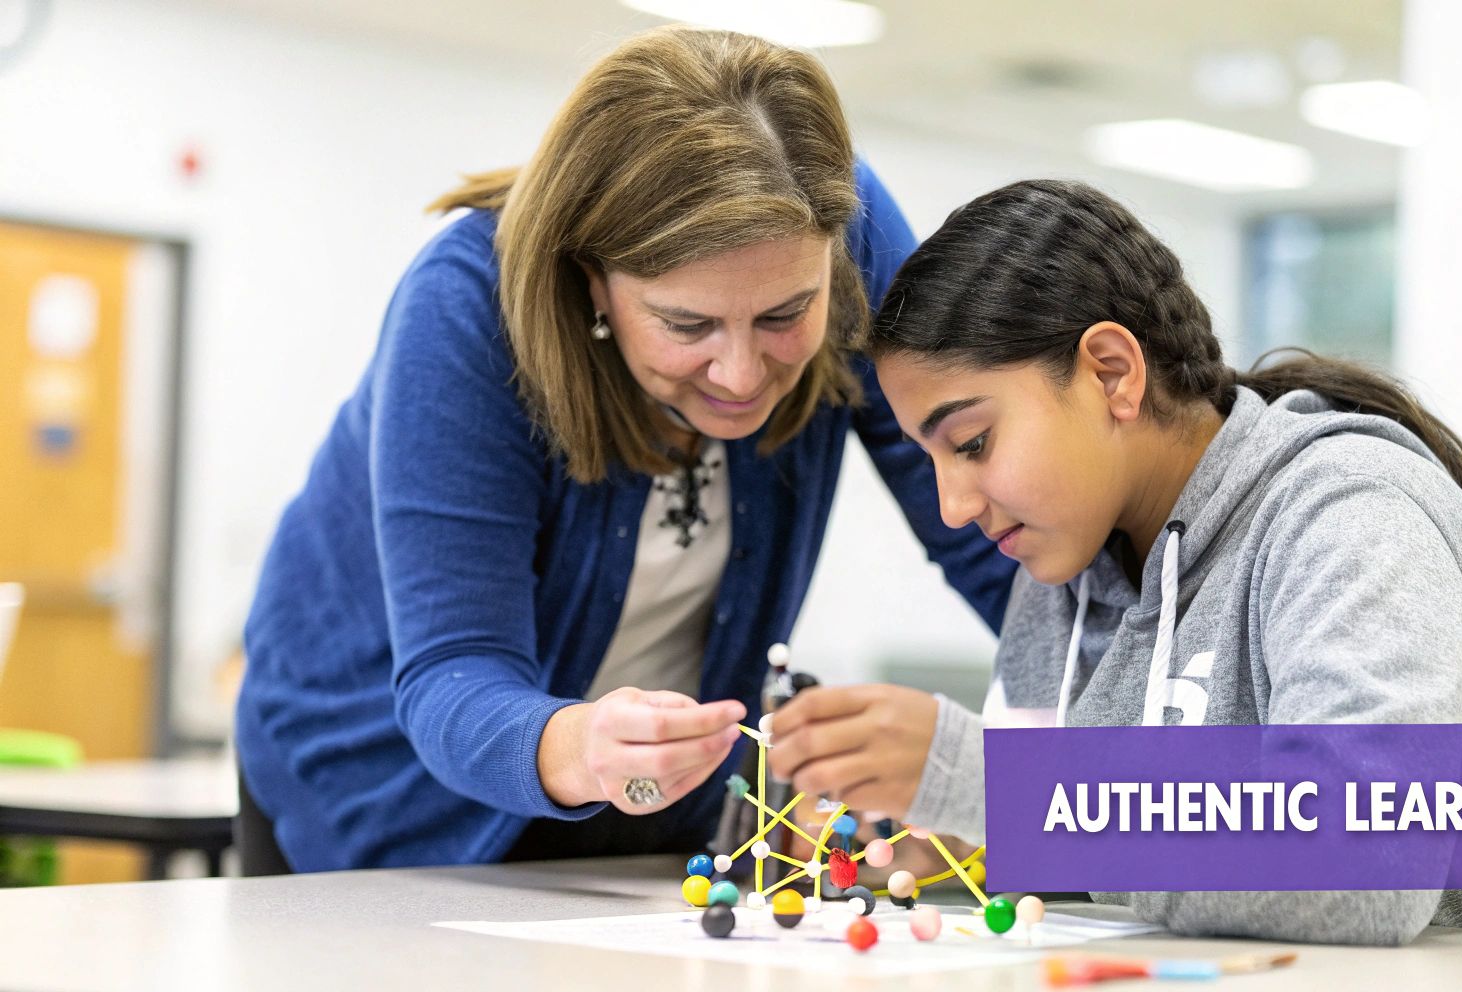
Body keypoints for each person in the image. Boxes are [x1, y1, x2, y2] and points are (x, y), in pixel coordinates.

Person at [233, 28, 1013, 874]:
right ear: (593, 277)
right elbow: (456, 673)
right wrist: (587, 745)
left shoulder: (839, 225)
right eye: (688, 325)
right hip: (387, 793)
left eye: (786, 315)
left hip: (651, 812)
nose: (743, 373)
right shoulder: (467, 306)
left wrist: (1113, 753)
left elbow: (986, 527)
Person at [768, 179, 1462, 945]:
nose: (954, 505)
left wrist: (984, 783)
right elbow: (1092, 855)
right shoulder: (1058, 571)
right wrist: (942, 833)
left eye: (974, 441)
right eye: (932, 460)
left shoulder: (1351, 513)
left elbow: (1369, 860)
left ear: (1112, 373)